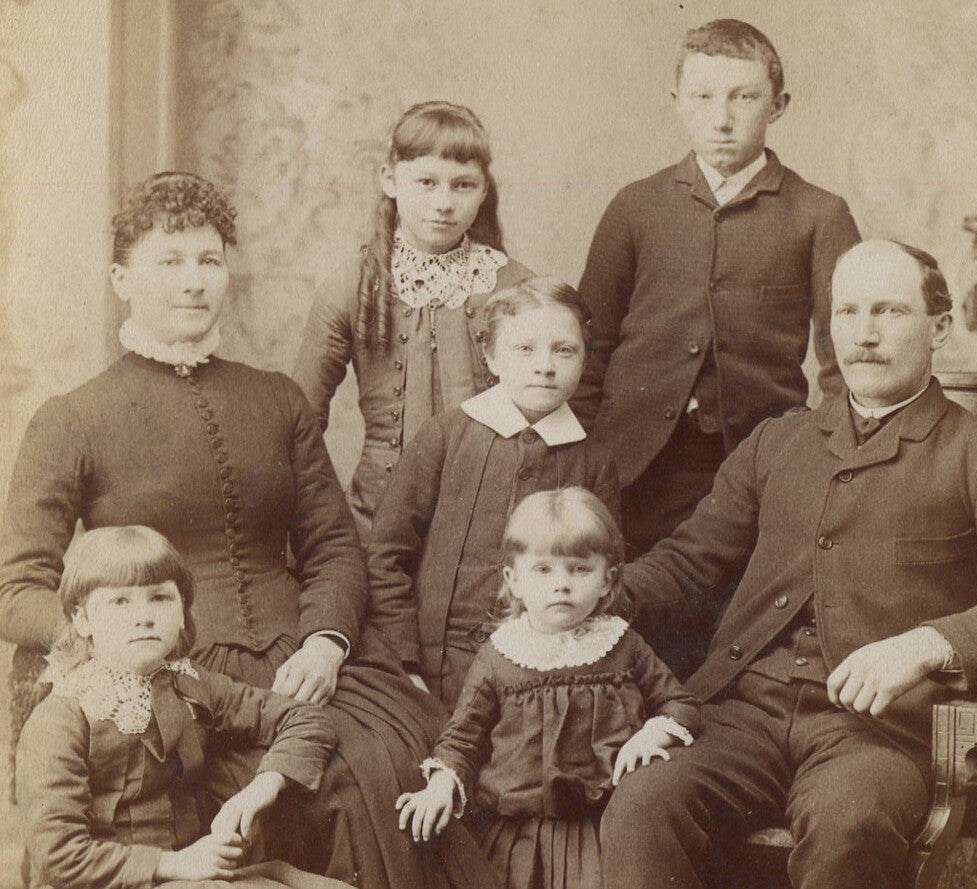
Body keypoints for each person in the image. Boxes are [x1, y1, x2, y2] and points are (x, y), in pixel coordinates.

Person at [0, 172, 501, 889]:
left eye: (208, 260)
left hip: (306, 659)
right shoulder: (72, 417)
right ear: (121, 278)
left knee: (397, 756)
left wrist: (327, 641)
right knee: (321, 791)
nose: (192, 282)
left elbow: (333, 543)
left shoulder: (276, 397)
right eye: (168, 262)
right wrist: (115, 657)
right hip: (187, 678)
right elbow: (16, 586)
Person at [599, 240, 977, 889]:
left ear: (940, 327)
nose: (862, 334)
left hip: (880, 733)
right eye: (848, 312)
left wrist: (930, 643)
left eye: (888, 312)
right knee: (643, 803)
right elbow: (687, 564)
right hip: (738, 714)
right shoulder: (777, 442)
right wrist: (594, 600)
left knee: (850, 824)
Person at [572, 19, 861, 560]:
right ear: (678, 101)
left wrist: (819, 467)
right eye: (703, 97)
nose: (721, 118)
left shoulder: (819, 214)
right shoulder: (636, 205)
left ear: (778, 104)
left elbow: (844, 364)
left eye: (743, 97)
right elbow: (589, 349)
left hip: (754, 467)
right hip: (628, 468)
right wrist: (582, 465)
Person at [394, 488, 701, 889]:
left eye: (579, 570)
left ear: (607, 582)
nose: (562, 585)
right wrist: (439, 785)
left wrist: (651, 734)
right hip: (517, 839)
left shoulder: (622, 645)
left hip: (600, 831)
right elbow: (461, 739)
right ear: (514, 580)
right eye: (544, 570)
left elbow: (681, 703)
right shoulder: (501, 656)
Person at [17, 525, 350, 889]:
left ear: (181, 612)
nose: (144, 616)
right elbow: (61, 857)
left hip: (191, 872)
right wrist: (174, 864)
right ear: (82, 619)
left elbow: (304, 719)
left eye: (160, 597)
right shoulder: (62, 718)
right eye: (120, 601)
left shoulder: (189, 683)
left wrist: (264, 785)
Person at [367, 278, 619, 707]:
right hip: (430, 674)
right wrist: (405, 663)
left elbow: (603, 580)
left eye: (564, 350)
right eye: (525, 349)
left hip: (538, 688)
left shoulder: (593, 464)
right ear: (491, 356)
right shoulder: (446, 437)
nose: (545, 366)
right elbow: (386, 555)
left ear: (584, 359)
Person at [293, 101, 531, 541]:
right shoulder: (350, 286)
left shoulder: (515, 287)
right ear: (389, 179)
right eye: (426, 182)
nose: (443, 203)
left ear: (483, 191)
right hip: (375, 524)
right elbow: (301, 426)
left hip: (495, 524)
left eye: (463, 185)